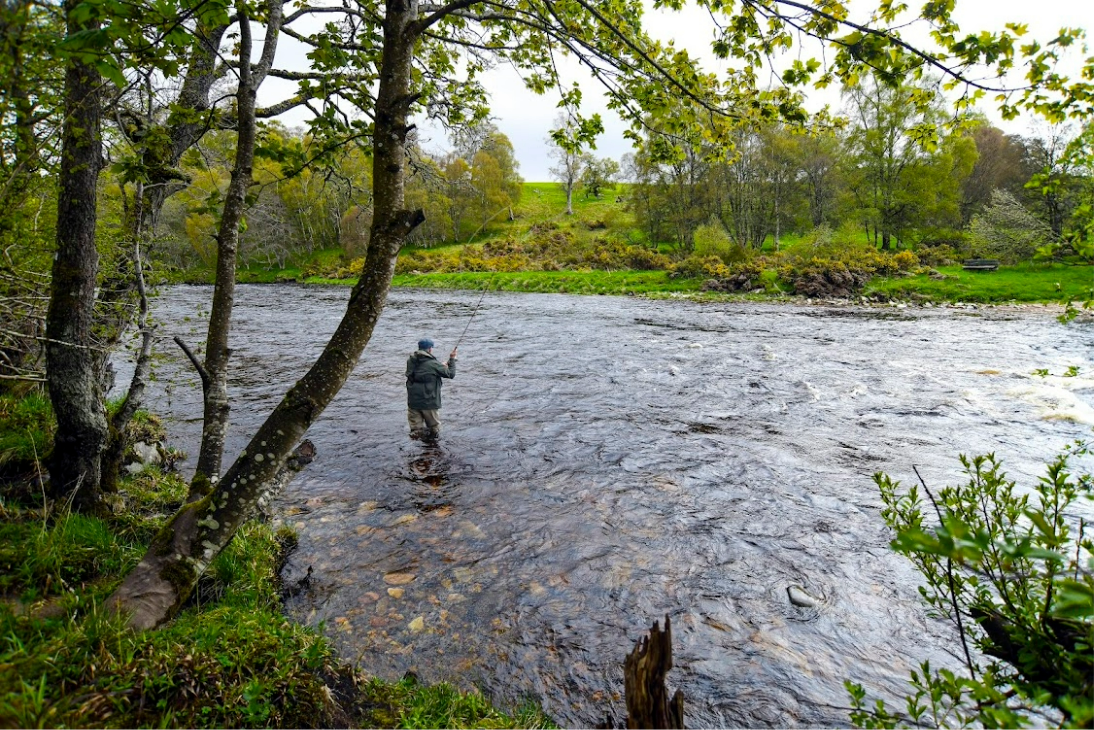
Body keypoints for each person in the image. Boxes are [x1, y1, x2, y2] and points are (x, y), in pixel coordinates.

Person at [405, 338, 457, 440]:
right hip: (429, 402)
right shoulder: (433, 364)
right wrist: (452, 359)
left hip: (413, 402)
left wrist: (440, 366)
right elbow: (451, 374)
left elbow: (423, 371)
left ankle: (417, 452)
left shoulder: (411, 361)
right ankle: (431, 450)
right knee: (434, 431)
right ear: (429, 349)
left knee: (416, 432)